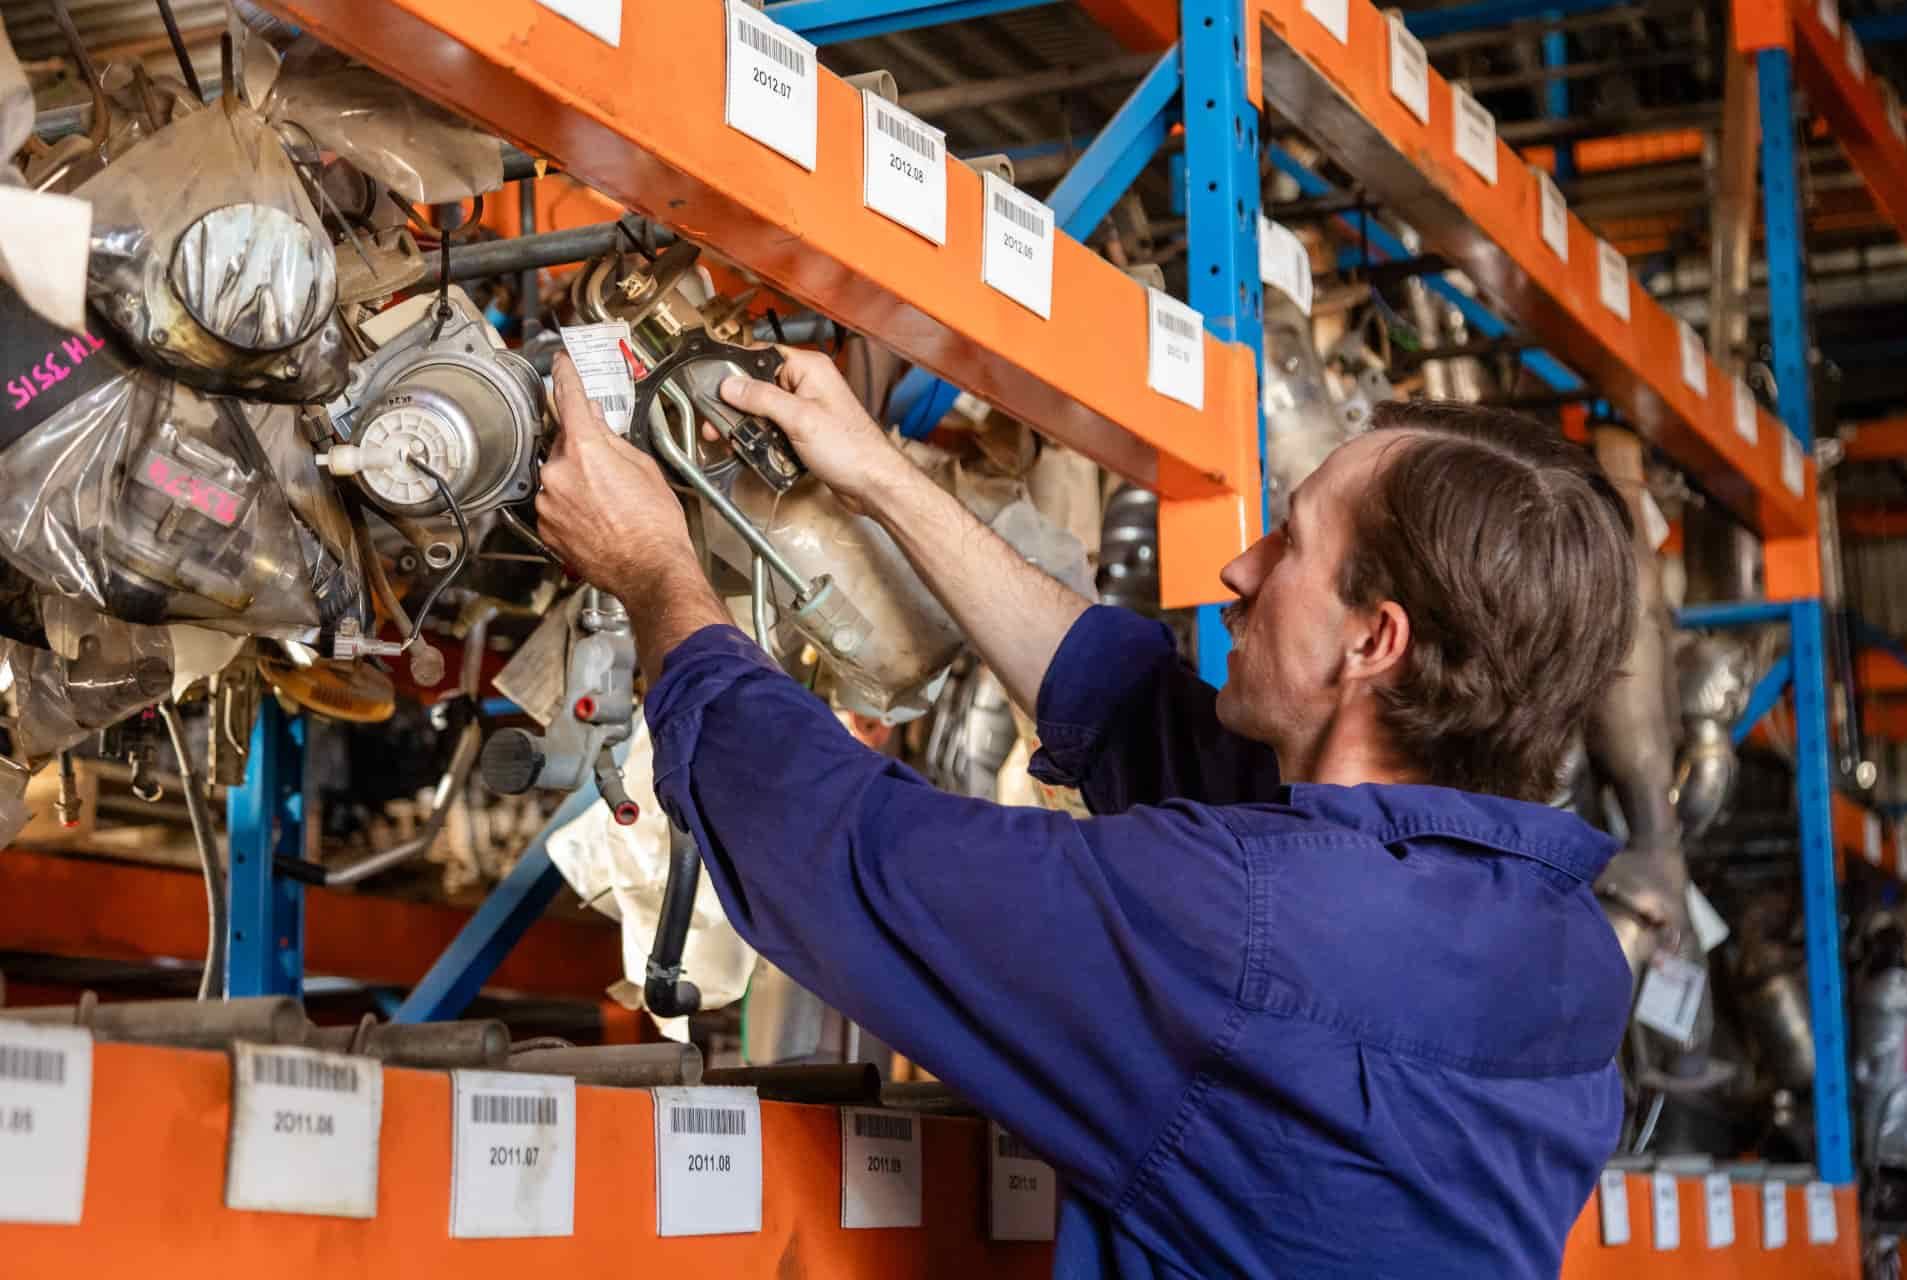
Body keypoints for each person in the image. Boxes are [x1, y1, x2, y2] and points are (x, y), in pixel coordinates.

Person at [536, 349, 1640, 1279]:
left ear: (1373, 641)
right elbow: (1129, 708)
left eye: (1291, 544)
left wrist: (654, 571)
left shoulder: (1239, 925)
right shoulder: (1555, 944)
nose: (1238, 567)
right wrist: (881, 477)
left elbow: (834, 852)